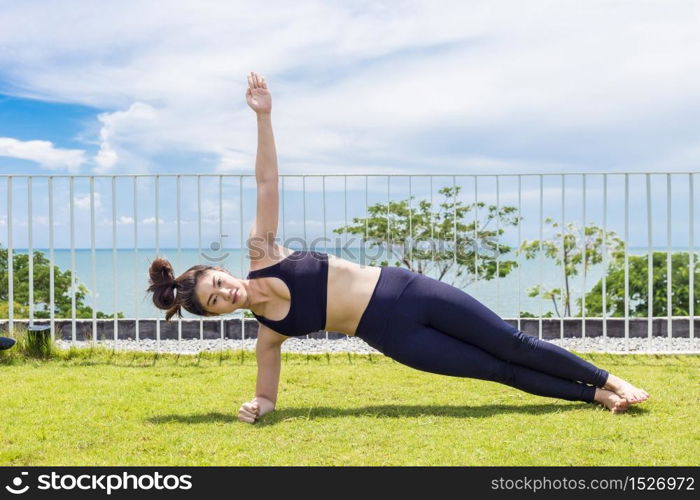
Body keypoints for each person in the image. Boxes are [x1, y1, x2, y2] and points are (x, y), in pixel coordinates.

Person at [147, 71, 650, 424]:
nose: (227, 293)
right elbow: (266, 395)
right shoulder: (268, 335)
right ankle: (598, 399)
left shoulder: (263, 253)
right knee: (497, 372)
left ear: (222, 271)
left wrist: (263, 118)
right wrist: (257, 408)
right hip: (393, 336)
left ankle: (611, 379)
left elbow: (265, 183)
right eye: (216, 301)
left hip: (407, 291)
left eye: (218, 284)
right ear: (216, 316)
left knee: (510, 343)